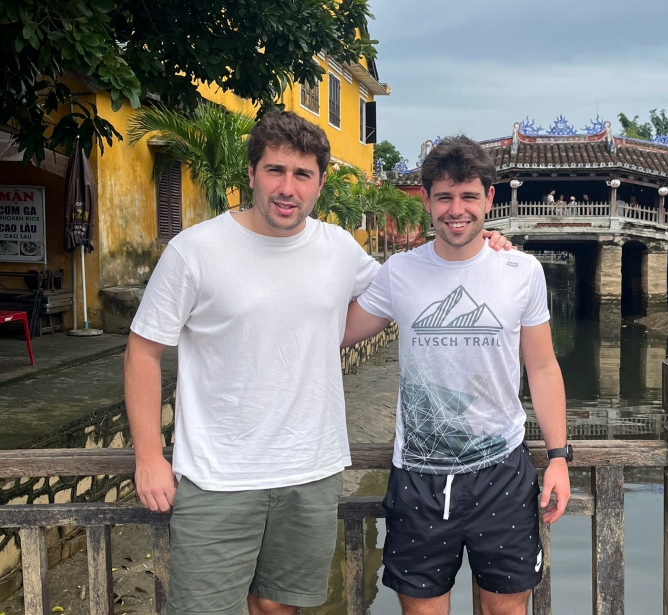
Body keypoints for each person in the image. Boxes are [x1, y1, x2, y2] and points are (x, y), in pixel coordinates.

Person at [124, 112, 511, 615]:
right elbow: (142, 351)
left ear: (320, 183)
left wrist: (487, 247)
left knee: (279, 607)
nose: (288, 188)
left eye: (302, 175)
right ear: (252, 173)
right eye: (275, 171)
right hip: (217, 474)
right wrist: (149, 457)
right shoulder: (195, 250)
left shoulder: (338, 249)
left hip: (311, 470)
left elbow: (419, 282)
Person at [342, 136, 571, 615]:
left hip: (502, 472)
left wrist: (558, 457)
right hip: (420, 477)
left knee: (505, 609)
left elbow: (543, 366)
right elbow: (339, 332)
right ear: (426, 200)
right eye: (444, 196)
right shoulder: (398, 272)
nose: (456, 210)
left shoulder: (521, 270)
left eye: (468, 196)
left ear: (489, 199)